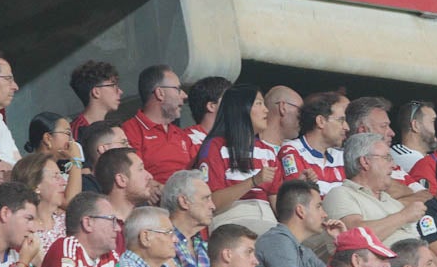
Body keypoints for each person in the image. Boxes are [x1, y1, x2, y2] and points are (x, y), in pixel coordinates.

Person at [195, 83, 280, 231]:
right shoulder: (215, 147)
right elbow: (212, 202)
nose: (266, 110)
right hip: (231, 224)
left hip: (268, 222)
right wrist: (253, 181)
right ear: (240, 109)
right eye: (259, 103)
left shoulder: (268, 151)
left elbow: (276, 203)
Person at [325, 132, 426, 246]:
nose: (393, 165)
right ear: (365, 162)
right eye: (387, 158)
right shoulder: (340, 194)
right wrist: (404, 216)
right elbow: (355, 236)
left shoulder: (390, 201)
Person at [123, 64, 193, 184]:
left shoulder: (181, 134)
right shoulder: (130, 130)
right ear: (160, 93)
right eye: (178, 89)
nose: (184, 95)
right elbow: (133, 175)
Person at [279, 91, 348, 194]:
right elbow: (300, 197)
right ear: (321, 121)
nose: (347, 127)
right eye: (341, 120)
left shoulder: (342, 157)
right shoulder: (292, 151)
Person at [69, 60, 123, 137]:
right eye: (112, 85)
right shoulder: (76, 133)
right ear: (96, 92)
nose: (120, 91)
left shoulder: (112, 128)